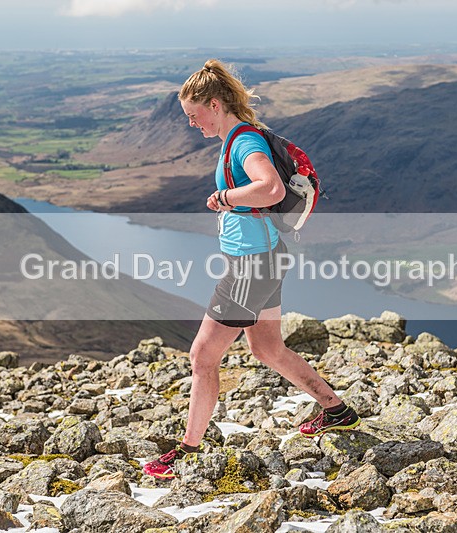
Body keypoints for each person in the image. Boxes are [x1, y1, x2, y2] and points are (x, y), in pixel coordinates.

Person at [142, 59, 360, 480]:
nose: (191, 124)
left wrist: (225, 198)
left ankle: (187, 451)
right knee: (267, 349)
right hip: (267, 257)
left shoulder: (243, 142)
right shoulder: (240, 137)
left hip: (251, 266)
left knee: (202, 356)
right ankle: (336, 410)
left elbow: (271, 188)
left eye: (194, 115)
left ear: (215, 104)